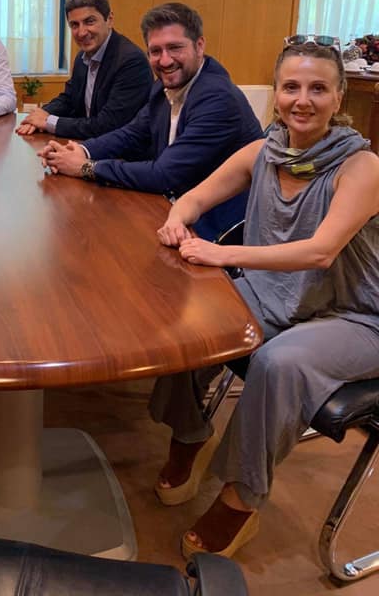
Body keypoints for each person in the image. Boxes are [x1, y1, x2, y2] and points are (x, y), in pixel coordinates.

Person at [150, 39, 379, 560]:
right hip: (277, 296)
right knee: (190, 324)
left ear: (339, 97)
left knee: (279, 363)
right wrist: (176, 220)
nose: (303, 99)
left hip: (356, 315)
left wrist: (219, 254)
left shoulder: (361, 167)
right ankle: (190, 433)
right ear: (276, 93)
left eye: (318, 88)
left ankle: (240, 500)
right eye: (291, 86)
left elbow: (321, 252)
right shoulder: (264, 151)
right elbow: (195, 196)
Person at [39, 2, 263, 240]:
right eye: (155, 51)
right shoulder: (165, 86)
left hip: (220, 231)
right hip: (174, 211)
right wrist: (81, 150)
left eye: (174, 48)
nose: (165, 61)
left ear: (199, 46)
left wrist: (86, 167)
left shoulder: (217, 98)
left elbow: (164, 175)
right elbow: (132, 133)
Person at [16, 0, 151, 139]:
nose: (81, 32)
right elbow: (69, 99)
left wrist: (48, 121)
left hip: (121, 150)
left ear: (109, 19)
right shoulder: (82, 57)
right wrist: (41, 114)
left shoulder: (131, 61)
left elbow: (108, 125)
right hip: (88, 144)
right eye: (74, 25)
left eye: (89, 21)